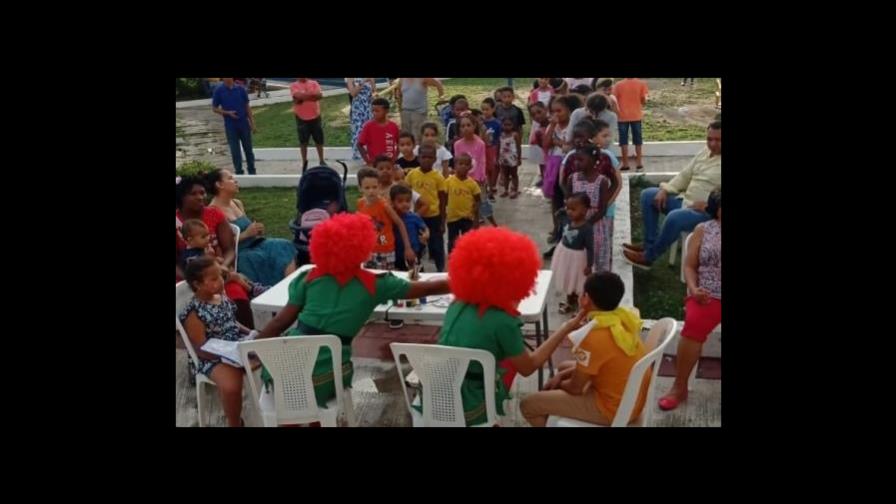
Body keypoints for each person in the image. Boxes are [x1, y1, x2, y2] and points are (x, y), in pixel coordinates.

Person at [256, 213, 452, 412]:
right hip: (327, 378)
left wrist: (251, 349)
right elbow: (427, 288)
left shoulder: (308, 278)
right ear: (364, 246)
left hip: (281, 374)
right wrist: (465, 280)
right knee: (319, 389)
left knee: (288, 392)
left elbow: (279, 323)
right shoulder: (377, 284)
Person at [437, 226, 590, 425]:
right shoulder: (503, 321)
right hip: (471, 404)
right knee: (513, 362)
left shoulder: (457, 304)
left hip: (436, 392)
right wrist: (566, 328)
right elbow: (529, 367)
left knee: (507, 359)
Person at [520, 272, 649, 427]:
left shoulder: (593, 336)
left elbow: (575, 388)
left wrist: (559, 384)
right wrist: (561, 375)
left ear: (586, 298)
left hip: (612, 409)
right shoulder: (622, 320)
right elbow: (596, 364)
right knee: (563, 367)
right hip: (630, 399)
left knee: (528, 405)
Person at [623, 120, 722, 268]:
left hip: (708, 214)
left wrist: (709, 207)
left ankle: (649, 257)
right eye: (709, 139)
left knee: (674, 217)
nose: (712, 144)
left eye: (718, 140)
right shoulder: (704, 152)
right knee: (648, 195)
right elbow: (684, 175)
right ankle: (649, 244)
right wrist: (665, 189)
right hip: (686, 201)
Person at [657, 188, 721, 411]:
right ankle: (679, 386)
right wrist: (693, 289)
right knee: (693, 325)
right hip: (708, 294)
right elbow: (690, 266)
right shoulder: (704, 230)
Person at [179, 257, 260, 427]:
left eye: (221, 276)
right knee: (231, 386)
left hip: (235, 344)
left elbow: (231, 322)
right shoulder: (194, 312)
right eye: (214, 279)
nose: (221, 281)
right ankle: (234, 422)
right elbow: (200, 347)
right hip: (210, 356)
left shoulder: (220, 297)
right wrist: (228, 355)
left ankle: (272, 406)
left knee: (273, 353)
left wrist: (250, 332)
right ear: (197, 284)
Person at [206, 169, 298, 286]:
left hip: (255, 243)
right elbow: (219, 245)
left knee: (283, 245)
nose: (235, 181)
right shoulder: (214, 211)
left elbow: (248, 228)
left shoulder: (237, 203)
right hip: (239, 252)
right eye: (230, 179)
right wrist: (246, 234)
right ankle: (268, 291)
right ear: (219, 185)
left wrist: (256, 231)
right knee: (256, 258)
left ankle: (291, 287)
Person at [356, 167, 415, 270]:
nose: (371, 191)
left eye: (374, 187)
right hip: (368, 249)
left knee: (384, 280)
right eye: (367, 188)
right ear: (360, 188)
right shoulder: (360, 204)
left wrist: (408, 247)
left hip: (385, 250)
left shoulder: (384, 205)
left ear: (379, 186)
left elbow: (400, 223)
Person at [405, 142, 448, 272]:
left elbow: (442, 198)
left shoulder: (438, 177)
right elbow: (406, 192)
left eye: (430, 157)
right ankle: (417, 271)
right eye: (423, 157)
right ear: (418, 158)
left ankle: (441, 270)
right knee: (417, 245)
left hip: (434, 217)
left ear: (435, 159)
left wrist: (442, 220)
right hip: (417, 217)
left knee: (437, 246)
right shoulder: (412, 175)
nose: (426, 160)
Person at [550, 193, 595, 314]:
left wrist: (589, 265)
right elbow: (559, 214)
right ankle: (570, 302)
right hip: (564, 254)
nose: (569, 211)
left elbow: (590, 248)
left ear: (584, 210)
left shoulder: (587, 228)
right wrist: (561, 211)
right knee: (568, 279)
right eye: (568, 208)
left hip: (577, 259)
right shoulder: (568, 219)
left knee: (577, 283)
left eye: (573, 209)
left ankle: (580, 308)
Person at [212, 78, 256, 175]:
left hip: (244, 124)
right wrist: (227, 113)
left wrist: (252, 123)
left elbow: (247, 106)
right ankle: (239, 172)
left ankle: (252, 171)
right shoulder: (219, 90)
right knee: (235, 151)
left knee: (248, 149)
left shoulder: (241, 89)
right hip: (230, 126)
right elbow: (214, 108)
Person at [445, 153, 481, 252]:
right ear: (455, 165)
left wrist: (476, 219)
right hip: (452, 218)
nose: (463, 166)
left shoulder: (472, 184)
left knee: (467, 241)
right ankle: (452, 259)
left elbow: (478, 201)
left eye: (466, 164)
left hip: (467, 218)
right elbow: (443, 198)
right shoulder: (449, 181)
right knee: (452, 241)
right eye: (460, 164)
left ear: (470, 167)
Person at [612, 77, 649, 171]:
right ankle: (639, 163)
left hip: (622, 117)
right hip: (636, 115)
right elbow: (644, 100)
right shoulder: (642, 83)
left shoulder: (618, 85)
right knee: (638, 140)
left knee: (623, 141)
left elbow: (613, 100)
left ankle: (625, 164)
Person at [290, 78, 325, 168]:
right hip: (301, 118)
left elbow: (319, 95)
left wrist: (303, 97)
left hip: (315, 116)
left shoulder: (314, 83)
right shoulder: (294, 85)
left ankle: (321, 160)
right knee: (303, 142)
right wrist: (312, 96)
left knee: (319, 140)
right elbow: (297, 97)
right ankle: (304, 162)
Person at [357, 98, 401, 166]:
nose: (374, 113)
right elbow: (359, 144)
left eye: (377, 111)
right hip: (374, 164)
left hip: (389, 164)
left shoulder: (393, 126)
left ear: (386, 111)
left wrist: (395, 158)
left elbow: (399, 143)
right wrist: (367, 161)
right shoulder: (368, 126)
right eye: (373, 111)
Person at [347, 78, 376, 161]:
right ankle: (358, 155)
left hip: (368, 107)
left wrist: (372, 82)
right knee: (359, 132)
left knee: (370, 131)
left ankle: (370, 154)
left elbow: (374, 92)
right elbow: (353, 93)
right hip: (358, 109)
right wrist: (362, 82)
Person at [498, 117, 522, 198]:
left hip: (512, 158)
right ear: (502, 125)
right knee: (505, 174)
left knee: (514, 174)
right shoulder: (501, 135)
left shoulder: (515, 135)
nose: (507, 127)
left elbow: (518, 147)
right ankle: (506, 190)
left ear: (513, 125)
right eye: (505, 125)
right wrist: (497, 157)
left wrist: (519, 158)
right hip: (503, 158)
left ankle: (514, 189)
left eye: (509, 125)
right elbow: (499, 146)